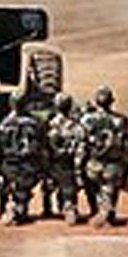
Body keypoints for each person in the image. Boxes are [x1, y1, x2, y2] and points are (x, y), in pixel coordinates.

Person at [79, 85, 128, 227]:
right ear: (111, 101)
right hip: (113, 165)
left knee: (92, 187)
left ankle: (98, 211)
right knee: (110, 189)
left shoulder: (86, 119)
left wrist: (79, 166)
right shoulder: (121, 120)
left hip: (93, 164)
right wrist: (127, 163)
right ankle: (106, 213)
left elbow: (81, 144)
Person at [0, 91, 46, 226]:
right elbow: (41, 145)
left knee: (9, 183)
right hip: (29, 165)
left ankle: (10, 206)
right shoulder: (35, 123)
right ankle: (18, 206)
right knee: (23, 187)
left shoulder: (4, 123)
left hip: (9, 164)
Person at [47, 93, 85, 225]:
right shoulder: (76, 127)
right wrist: (78, 168)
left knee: (49, 186)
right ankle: (69, 208)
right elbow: (81, 149)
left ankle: (47, 207)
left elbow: (44, 148)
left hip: (53, 165)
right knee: (69, 190)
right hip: (68, 165)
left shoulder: (49, 125)